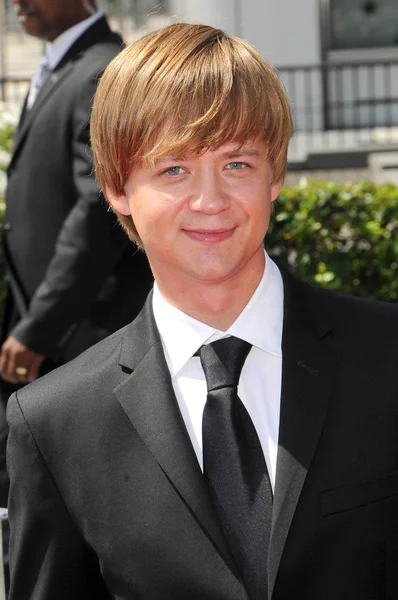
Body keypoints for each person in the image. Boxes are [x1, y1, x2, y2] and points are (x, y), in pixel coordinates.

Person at [6, 22, 398, 600]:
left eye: (237, 164)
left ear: (276, 175)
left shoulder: (386, 356)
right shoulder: (55, 424)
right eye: (174, 169)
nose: (210, 201)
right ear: (116, 187)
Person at [0, 0, 152, 506]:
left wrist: (39, 327)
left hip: (84, 337)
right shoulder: (62, 66)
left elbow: (97, 210)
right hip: (56, 338)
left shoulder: (102, 70)